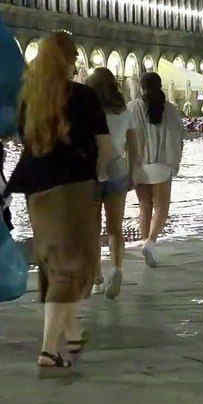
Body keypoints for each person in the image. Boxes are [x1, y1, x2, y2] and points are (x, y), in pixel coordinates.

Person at [7, 32, 114, 369]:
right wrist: (103, 171)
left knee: (53, 260)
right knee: (72, 266)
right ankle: (49, 349)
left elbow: (22, 139)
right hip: (74, 188)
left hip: (37, 188)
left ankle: (72, 331)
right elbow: (107, 148)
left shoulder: (28, 99)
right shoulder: (83, 96)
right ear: (67, 60)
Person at [85, 68, 140, 300]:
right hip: (117, 167)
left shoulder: (86, 111)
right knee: (115, 228)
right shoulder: (123, 111)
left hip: (91, 169)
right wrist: (133, 173)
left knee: (92, 227)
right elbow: (133, 146)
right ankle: (116, 269)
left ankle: (97, 276)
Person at [128, 72, 184, 268]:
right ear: (160, 86)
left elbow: (127, 137)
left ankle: (146, 243)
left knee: (144, 206)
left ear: (141, 87)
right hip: (162, 165)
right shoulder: (170, 109)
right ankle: (150, 242)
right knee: (161, 208)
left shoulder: (133, 108)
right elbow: (178, 137)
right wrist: (175, 162)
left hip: (140, 165)